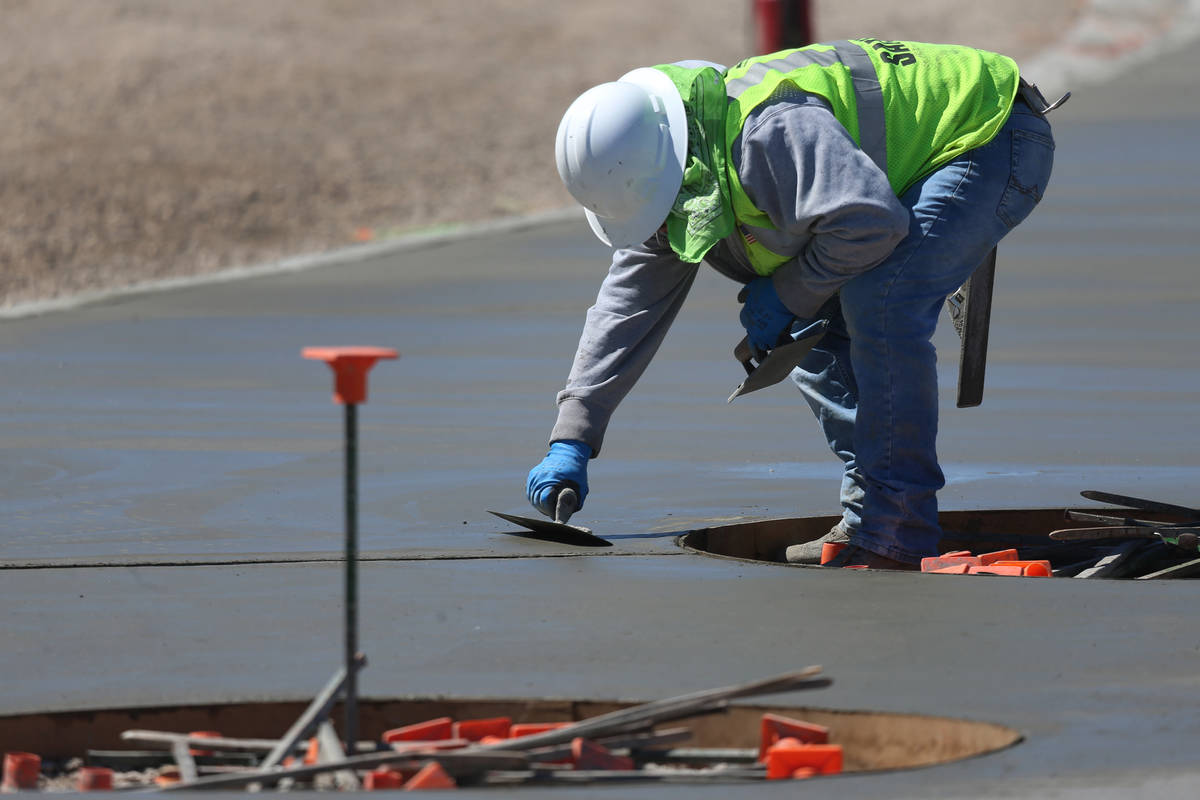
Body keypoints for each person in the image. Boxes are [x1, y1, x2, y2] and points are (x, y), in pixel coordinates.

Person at [526, 39, 1061, 569]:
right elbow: (627, 305)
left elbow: (871, 223)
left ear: (673, 174)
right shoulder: (673, 164)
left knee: (882, 300)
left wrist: (787, 292)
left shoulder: (767, 133)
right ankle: (869, 513)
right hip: (895, 178)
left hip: (989, 136)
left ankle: (899, 529)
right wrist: (573, 435)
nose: (661, 231)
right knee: (806, 326)